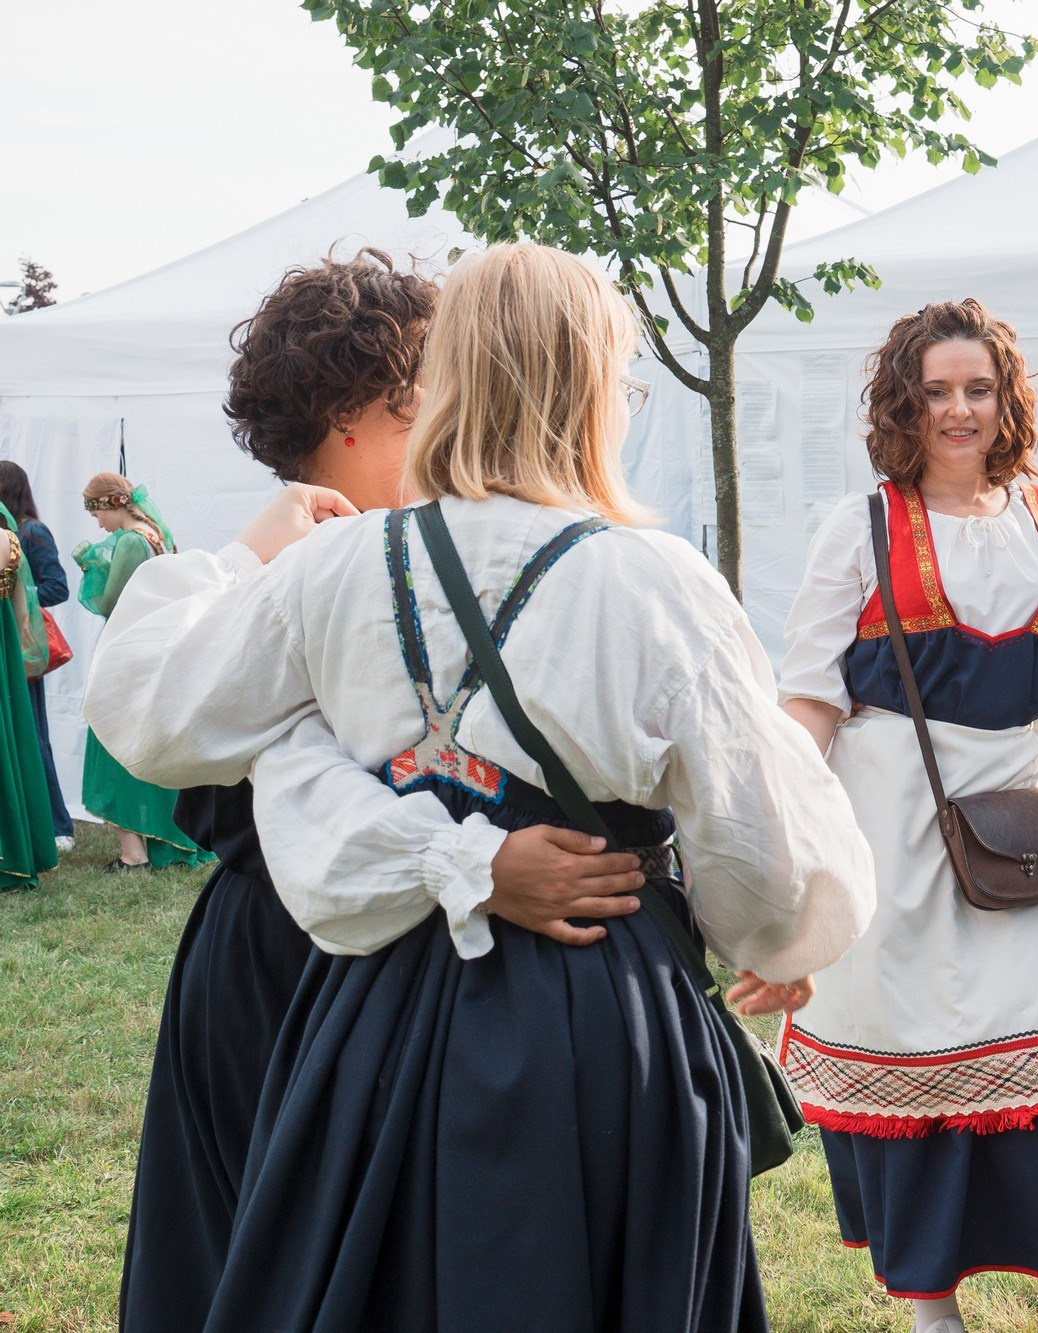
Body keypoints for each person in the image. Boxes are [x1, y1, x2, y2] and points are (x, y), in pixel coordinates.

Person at [86, 240, 874, 1329]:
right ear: (593, 386)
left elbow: (149, 709)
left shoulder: (334, 567)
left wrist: (237, 558)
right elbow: (768, 861)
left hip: (376, 1006)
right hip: (598, 1002)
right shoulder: (656, 582)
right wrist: (773, 939)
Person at [115, 250, 615, 1331]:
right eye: (433, 394)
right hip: (297, 961)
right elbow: (191, 727)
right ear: (360, 422)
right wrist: (477, 866)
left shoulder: (449, 555)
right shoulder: (323, 566)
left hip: (404, 954)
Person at [777, 299, 1038, 1333]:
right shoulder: (856, 525)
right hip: (890, 815)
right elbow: (808, 687)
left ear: (1005, 398)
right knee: (908, 1038)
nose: (958, 410)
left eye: (976, 389)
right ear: (904, 398)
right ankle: (929, 1310)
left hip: (1015, 813)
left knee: (1036, 1025)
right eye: (936, 390)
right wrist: (784, 808)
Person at [73, 474, 212, 870]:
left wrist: (91, 567)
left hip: (128, 648)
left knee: (114, 740)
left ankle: (132, 853)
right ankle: (163, 838)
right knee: (149, 740)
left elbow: (111, 601)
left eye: (96, 512)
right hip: (155, 647)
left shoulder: (132, 540)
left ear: (109, 504)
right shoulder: (156, 535)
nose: (97, 523)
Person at [0, 461, 73, 849]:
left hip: (25, 647)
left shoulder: (31, 531)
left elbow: (56, 587)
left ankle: (58, 826)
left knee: (34, 736)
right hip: (6, 642)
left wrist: (18, 597)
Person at [0, 502, 57, 888]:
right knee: (12, 744)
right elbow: (24, 614)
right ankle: (18, 853)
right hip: (6, 662)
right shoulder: (10, 540)